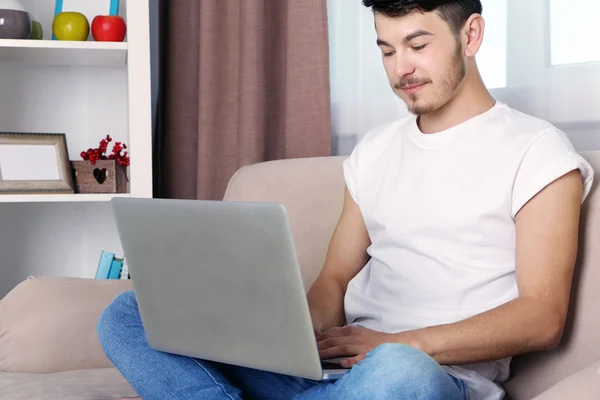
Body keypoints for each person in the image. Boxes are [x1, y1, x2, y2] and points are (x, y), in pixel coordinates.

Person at [97, 0, 595, 399]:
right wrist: (288, 335)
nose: (402, 69)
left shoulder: (537, 149)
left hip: (428, 376)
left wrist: (400, 343)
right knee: (127, 313)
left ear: (471, 36)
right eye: (387, 50)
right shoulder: (376, 149)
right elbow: (335, 277)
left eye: (417, 45)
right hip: (330, 373)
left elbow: (541, 317)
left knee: (399, 371)